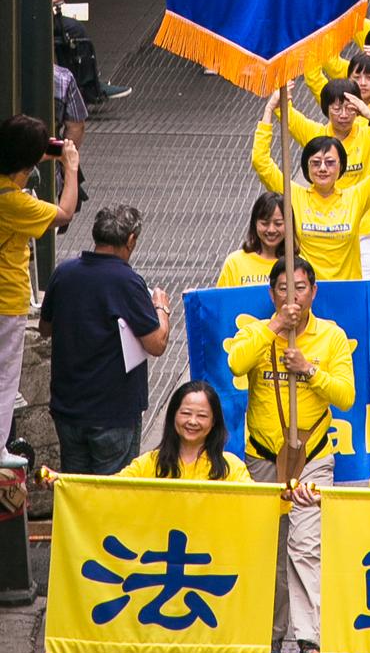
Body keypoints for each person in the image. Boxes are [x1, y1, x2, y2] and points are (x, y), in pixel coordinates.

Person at [228, 257, 355, 653]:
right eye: (283, 288)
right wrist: (275, 329)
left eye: (300, 288)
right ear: (272, 293)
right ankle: (268, 640)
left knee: (304, 545)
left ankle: (308, 643)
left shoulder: (331, 336)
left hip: (313, 455)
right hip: (263, 457)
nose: (292, 297)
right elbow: (235, 364)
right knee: (269, 548)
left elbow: (346, 396)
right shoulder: (258, 332)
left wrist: (309, 371)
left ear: (314, 291)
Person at [39, 205, 169, 474]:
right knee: (112, 496)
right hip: (113, 412)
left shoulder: (64, 273)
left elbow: (45, 328)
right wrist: (161, 308)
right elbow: (156, 343)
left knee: (75, 492)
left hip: (68, 408)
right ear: (131, 239)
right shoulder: (127, 281)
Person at [251, 92, 370, 279]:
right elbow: (261, 162)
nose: (322, 169)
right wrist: (268, 111)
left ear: (341, 168)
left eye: (330, 162)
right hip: (307, 295)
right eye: (316, 163)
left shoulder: (356, 196)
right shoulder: (294, 196)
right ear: (306, 167)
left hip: (347, 294)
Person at [0, 117, 79, 459]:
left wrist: (40, 153)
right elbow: (64, 213)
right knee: (5, 377)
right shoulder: (15, 203)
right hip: (6, 300)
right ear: (28, 162)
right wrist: (70, 168)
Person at [120, 380, 250, 481]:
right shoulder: (148, 464)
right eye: (186, 413)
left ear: (213, 422)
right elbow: (111, 489)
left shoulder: (232, 468)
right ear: (173, 415)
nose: (192, 421)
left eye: (202, 416)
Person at [216, 191, 287, 286]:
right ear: (255, 223)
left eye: (278, 223)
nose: (271, 230)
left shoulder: (298, 264)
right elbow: (221, 299)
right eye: (265, 223)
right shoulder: (235, 263)